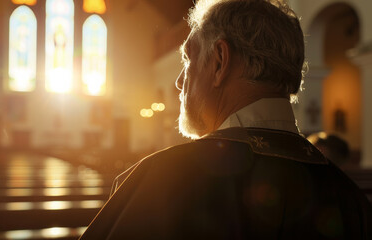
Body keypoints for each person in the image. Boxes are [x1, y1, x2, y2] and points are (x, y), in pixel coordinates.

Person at [79, 0, 372, 239]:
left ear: (220, 61)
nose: (180, 82)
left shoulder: (160, 179)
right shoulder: (350, 198)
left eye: (188, 60)